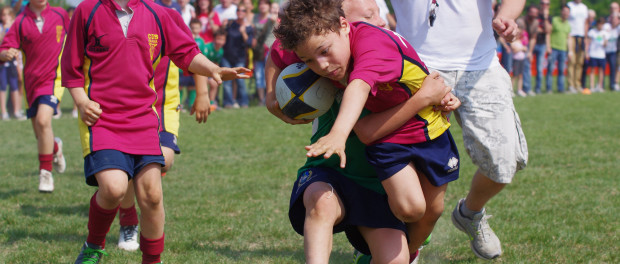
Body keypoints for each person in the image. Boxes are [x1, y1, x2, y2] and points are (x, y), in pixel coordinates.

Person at [61, 0, 248, 262]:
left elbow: (187, 53)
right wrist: (81, 102)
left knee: (152, 194)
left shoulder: (158, 14)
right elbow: (70, 68)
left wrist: (213, 69)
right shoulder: (87, 10)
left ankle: (152, 260)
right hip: (103, 118)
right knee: (114, 188)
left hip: (143, 118)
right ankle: (93, 246)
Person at [274, 0, 462, 262]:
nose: (322, 66)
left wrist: (339, 133)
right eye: (309, 60)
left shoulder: (373, 46)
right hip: (342, 168)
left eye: (325, 52)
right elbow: (279, 50)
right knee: (323, 201)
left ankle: (407, 249)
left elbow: (360, 86)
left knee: (423, 212)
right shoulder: (315, 38)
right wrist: (275, 100)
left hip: (406, 151)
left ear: (344, 25)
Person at [390, 0, 528, 260]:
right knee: (405, 166)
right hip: (415, 65)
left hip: (481, 66)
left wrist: (506, 17)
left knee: (503, 162)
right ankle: (404, 246)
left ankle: (470, 213)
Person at [115, 6, 212, 252]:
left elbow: (192, 53)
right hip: (128, 107)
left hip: (163, 104)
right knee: (126, 167)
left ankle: (146, 182)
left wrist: (202, 93)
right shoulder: (123, 13)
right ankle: (128, 222)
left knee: (164, 161)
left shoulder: (169, 15)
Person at [0, 0, 68, 192]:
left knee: (43, 121)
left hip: (55, 79)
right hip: (32, 84)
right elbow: (4, 48)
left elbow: (78, 40)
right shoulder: (20, 21)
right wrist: (5, 53)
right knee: (40, 133)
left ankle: (45, 174)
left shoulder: (61, 15)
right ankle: (55, 147)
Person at [222, 5, 252, 108]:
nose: (240, 12)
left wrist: (243, 32)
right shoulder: (230, 24)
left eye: (243, 10)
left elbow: (249, 44)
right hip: (227, 56)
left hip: (240, 57)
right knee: (227, 81)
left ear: (245, 13)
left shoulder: (248, 27)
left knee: (240, 81)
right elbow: (223, 36)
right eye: (238, 10)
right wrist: (223, 26)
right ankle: (228, 103)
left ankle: (244, 102)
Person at [0, 6, 24, 121]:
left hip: (14, 61)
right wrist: (5, 30)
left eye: (8, 15)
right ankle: (4, 112)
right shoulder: (1, 28)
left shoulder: (15, 26)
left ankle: (16, 110)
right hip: (2, 63)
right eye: (3, 15)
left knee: (16, 86)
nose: (5, 18)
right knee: (2, 87)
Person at [251, 0, 276, 106]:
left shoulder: (273, 17)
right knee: (258, 75)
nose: (262, 6)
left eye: (265, 3)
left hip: (270, 49)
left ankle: (269, 98)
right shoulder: (255, 17)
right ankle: (261, 99)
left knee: (269, 75)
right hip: (258, 50)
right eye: (260, 4)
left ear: (269, 6)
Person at [546, 4, 572, 93]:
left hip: (563, 49)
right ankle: (549, 88)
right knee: (550, 69)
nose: (566, 13)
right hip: (553, 48)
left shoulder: (568, 24)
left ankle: (561, 89)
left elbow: (568, 38)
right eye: (564, 11)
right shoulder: (554, 20)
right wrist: (548, 47)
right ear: (561, 11)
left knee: (561, 70)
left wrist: (570, 51)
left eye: (567, 12)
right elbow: (548, 33)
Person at [567, 0, 589, 93]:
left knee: (579, 62)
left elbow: (586, 23)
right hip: (571, 35)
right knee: (572, 61)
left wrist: (585, 36)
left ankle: (577, 84)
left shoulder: (584, 7)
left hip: (581, 36)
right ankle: (571, 85)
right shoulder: (569, 5)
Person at [584, 17, 608, 94]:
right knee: (592, 70)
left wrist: (604, 40)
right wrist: (587, 52)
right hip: (593, 54)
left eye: (602, 24)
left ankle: (600, 86)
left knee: (601, 71)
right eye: (599, 24)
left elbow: (605, 45)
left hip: (601, 55)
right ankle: (592, 86)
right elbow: (588, 42)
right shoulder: (592, 32)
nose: (600, 26)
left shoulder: (605, 33)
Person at [205, 28, 226, 110]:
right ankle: (201, 102)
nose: (220, 42)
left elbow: (216, 64)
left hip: (210, 72)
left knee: (215, 83)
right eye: (218, 39)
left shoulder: (221, 51)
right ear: (214, 39)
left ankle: (211, 103)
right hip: (200, 72)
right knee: (207, 83)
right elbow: (202, 63)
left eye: (222, 40)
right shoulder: (207, 48)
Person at [512, 18, 528, 97]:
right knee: (515, 75)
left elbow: (525, 48)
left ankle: (519, 89)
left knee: (521, 75)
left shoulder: (520, 41)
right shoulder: (514, 42)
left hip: (522, 59)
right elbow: (515, 50)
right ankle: (511, 90)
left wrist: (522, 48)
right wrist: (521, 48)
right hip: (516, 60)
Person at [604, 13, 619, 91]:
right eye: (613, 18)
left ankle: (612, 84)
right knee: (602, 68)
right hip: (604, 51)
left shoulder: (618, 28)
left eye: (616, 19)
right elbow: (600, 36)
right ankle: (600, 85)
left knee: (613, 68)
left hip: (613, 51)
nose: (615, 20)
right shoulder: (606, 26)